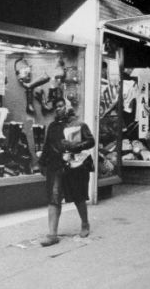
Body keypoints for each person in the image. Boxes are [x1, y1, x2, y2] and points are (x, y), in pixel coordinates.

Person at [38, 99, 95, 247]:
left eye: (61, 105)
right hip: (55, 165)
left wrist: (74, 146)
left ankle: (85, 223)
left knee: (78, 196)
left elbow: (91, 141)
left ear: (68, 106)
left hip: (73, 166)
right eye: (56, 107)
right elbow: (47, 146)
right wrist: (42, 163)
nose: (58, 109)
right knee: (54, 197)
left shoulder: (78, 124)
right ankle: (52, 235)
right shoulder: (52, 126)